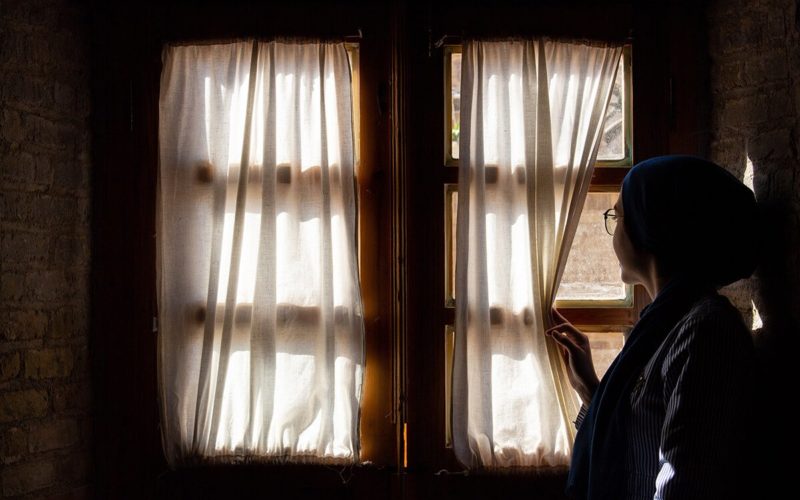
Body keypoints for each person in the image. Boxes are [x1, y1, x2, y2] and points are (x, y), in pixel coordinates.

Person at [546, 155, 760, 500]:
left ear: (649, 226)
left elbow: (685, 485)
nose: (613, 229)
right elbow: (634, 448)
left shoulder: (705, 332)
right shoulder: (662, 326)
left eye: (617, 216)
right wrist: (591, 391)